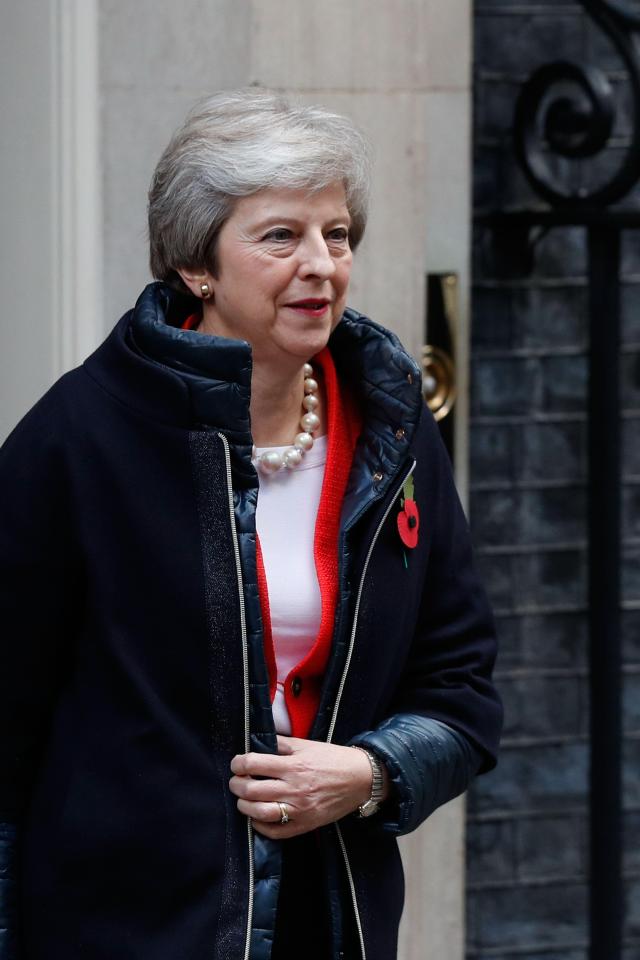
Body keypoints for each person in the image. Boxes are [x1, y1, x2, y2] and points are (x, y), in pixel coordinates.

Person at [0, 89, 502, 960]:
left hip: (334, 918)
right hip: (126, 927)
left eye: (336, 234)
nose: (322, 265)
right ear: (198, 263)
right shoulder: (79, 435)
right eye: (280, 236)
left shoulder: (391, 428)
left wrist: (375, 773)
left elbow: (462, 684)